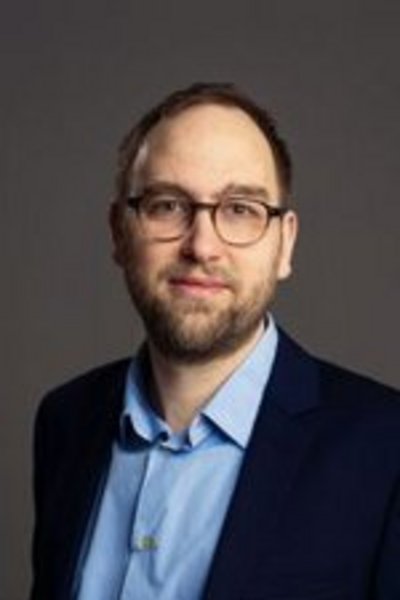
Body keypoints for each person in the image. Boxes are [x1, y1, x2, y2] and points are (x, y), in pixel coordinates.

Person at [30, 82, 400, 600]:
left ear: (285, 243)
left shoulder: (386, 449)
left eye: (240, 209)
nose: (202, 246)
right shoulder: (65, 423)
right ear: (119, 233)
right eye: (167, 205)